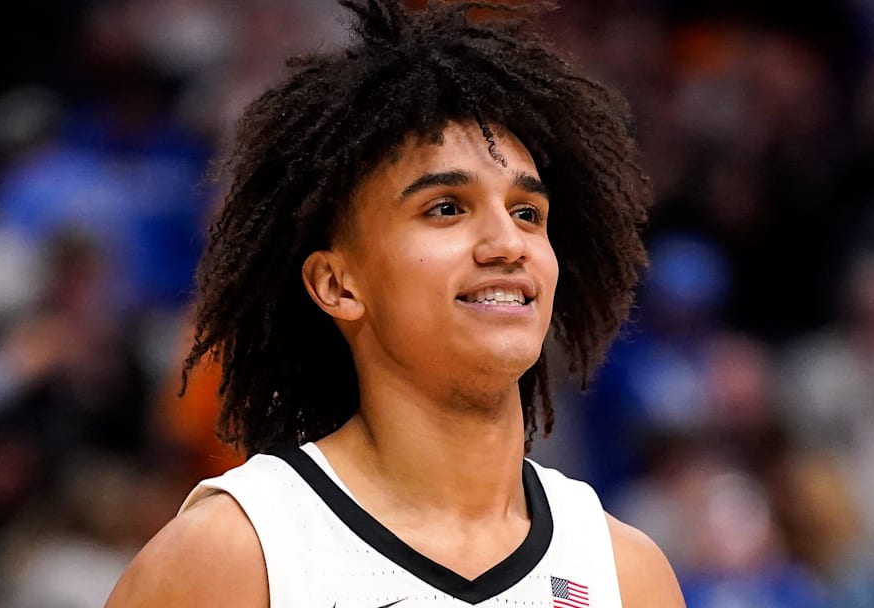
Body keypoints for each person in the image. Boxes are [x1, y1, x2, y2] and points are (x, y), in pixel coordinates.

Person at [106, 1, 685, 606]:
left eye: (527, 213)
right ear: (337, 284)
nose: (508, 244)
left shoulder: (625, 572)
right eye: (446, 208)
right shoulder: (232, 554)